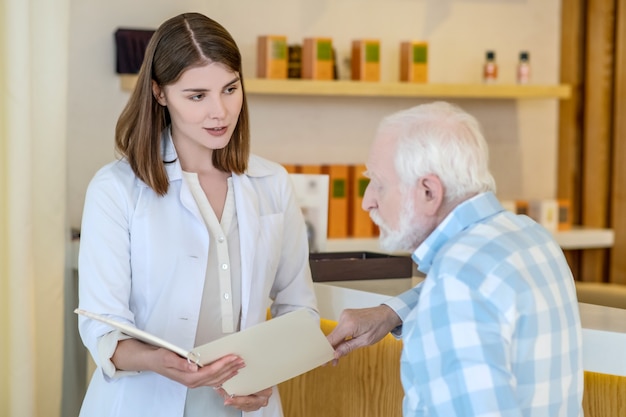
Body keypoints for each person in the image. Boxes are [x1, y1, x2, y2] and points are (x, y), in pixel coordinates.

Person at [77, 12, 318, 417]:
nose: (220, 112)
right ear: (159, 93)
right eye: (197, 96)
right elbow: (101, 327)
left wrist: (267, 374)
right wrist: (158, 361)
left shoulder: (272, 182)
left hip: (242, 404)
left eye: (230, 89)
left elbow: (298, 308)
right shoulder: (115, 189)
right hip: (143, 402)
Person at [327, 101, 583, 416]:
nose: (368, 201)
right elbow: (482, 289)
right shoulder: (530, 236)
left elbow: (459, 290)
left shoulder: (456, 282)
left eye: (379, 184)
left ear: (428, 193)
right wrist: (391, 313)